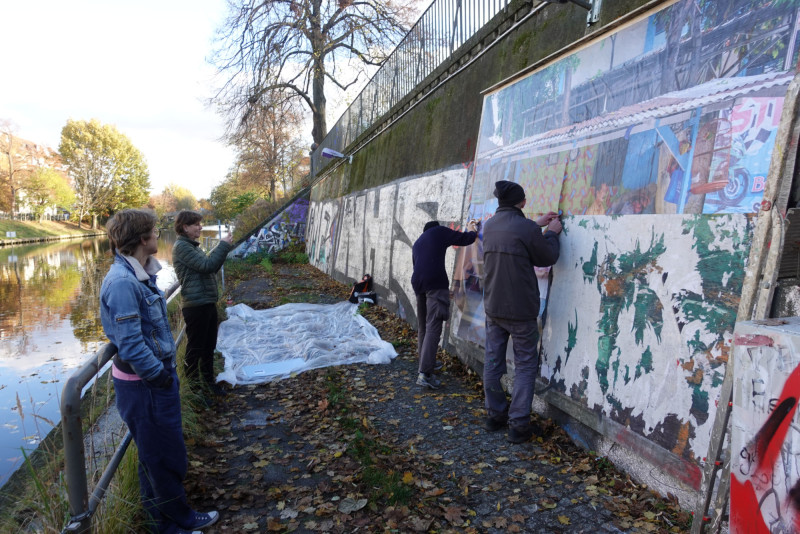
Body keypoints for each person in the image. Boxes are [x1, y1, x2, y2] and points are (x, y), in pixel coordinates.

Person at [100, 209, 219, 534]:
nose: (157, 235)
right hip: (146, 385)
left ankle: (160, 522)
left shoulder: (137, 274)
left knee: (154, 457)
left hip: (151, 381)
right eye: (154, 231)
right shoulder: (123, 283)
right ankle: (177, 520)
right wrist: (161, 376)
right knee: (165, 458)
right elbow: (131, 344)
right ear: (143, 239)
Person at [482, 181, 562, 443]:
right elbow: (546, 257)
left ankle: (495, 415)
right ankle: (518, 426)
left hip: (494, 307)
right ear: (523, 202)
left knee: (493, 362)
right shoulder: (526, 228)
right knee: (525, 366)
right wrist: (550, 233)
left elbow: (514, 235)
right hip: (521, 310)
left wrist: (535, 225)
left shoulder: (490, 225)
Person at [411, 219, 478, 389]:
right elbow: (467, 239)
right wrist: (472, 229)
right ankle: (425, 374)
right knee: (434, 325)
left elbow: (420, 268)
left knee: (424, 326)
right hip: (435, 282)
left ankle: (426, 363)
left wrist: (439, 290)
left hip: (419, 284)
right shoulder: (439, 231)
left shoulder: (418, 242)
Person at [172, 211, 234, 397]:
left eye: (200, 223)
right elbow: (208, 266)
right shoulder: (182, 247)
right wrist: (223, 245)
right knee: (196, 349)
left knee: (208, 347)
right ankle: (194, 390)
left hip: (206, 303)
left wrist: (221, 246)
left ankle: (209, 384)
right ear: (185, 227)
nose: (200, 227)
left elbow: (206, 263)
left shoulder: (192, 246)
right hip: (195, 306)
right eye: (196, 224)